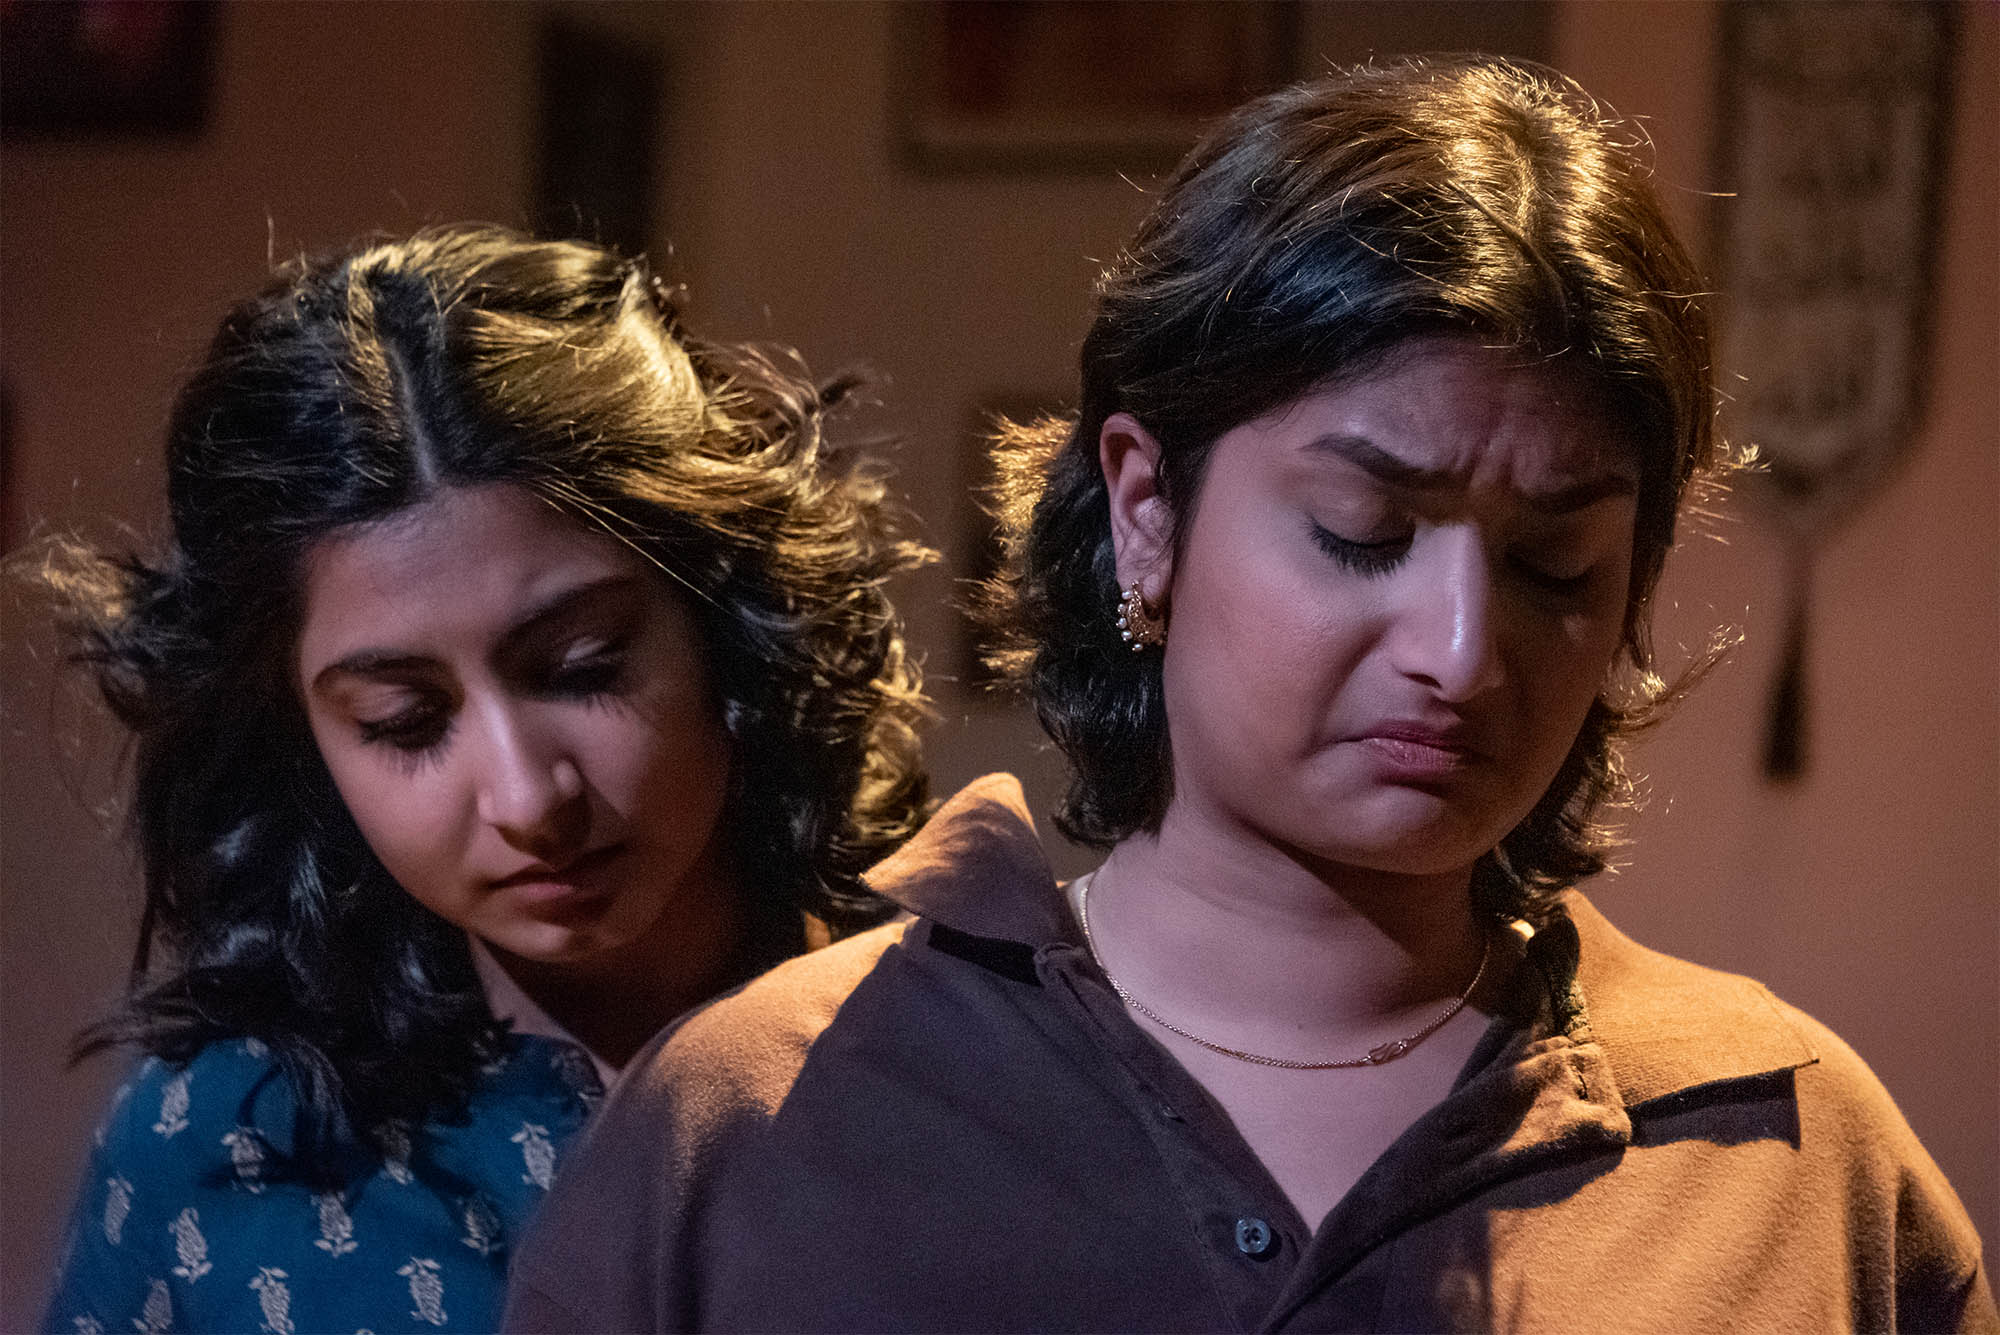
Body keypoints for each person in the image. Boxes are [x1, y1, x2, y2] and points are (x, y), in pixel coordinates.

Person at [505, 58, 1996, 1333]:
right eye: (1364, 534)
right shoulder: (759, 1121)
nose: (1463, 651)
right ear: (1146, 506)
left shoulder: (1779, 1146)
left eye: (1557, 567)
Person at [38, 225, 931, 1334]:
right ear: (300, 739)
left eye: (583, 669)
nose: (526, 799)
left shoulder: (974, 1066)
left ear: (726, 627)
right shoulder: (219, 1150)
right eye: (404, 724)